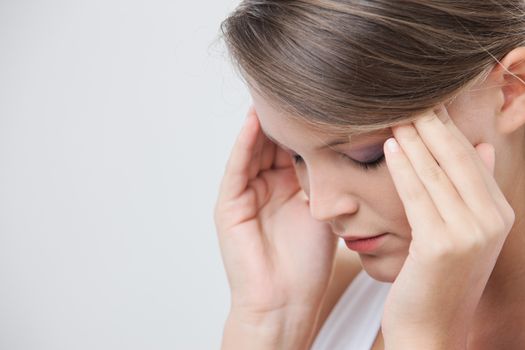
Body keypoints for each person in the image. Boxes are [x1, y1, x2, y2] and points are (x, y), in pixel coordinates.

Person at [214, 1, 525, 349]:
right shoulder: (322, 300)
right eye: (296, 156)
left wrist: (423, 339)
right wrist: (269, 322)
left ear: (512, 88)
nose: (322, 207)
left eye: (367, 157)